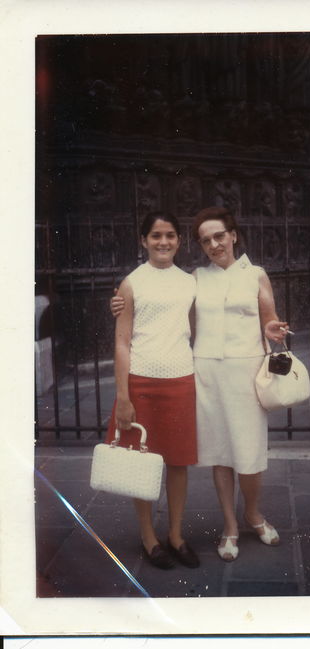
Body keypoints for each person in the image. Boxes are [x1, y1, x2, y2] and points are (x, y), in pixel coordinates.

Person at [112, 206, 287, 562]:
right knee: (205, 455)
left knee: (236, 454)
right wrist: (118, 303)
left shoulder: (242, 276)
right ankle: (205, 530)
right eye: (206, 240)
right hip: (193, 374)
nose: (213, 244)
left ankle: (239, 518)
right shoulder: (190, 279)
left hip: (228, 372)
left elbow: (269, 319)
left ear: (233, 234)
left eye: (219, 236)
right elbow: (150, 320)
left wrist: (271, 330)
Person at [107, 211, 199, 570]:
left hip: (180, 379)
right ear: (144, 240)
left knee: (178, 462)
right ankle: (149, 538)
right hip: (141, 382)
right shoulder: (131, 283)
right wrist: (124, 396)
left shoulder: (189, 282)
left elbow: (192, 329)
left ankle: (175, 535)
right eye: (156, 235)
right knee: (140, 464)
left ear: (179, 241)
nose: (163, 242)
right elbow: (122, 342)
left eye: (171, 235)